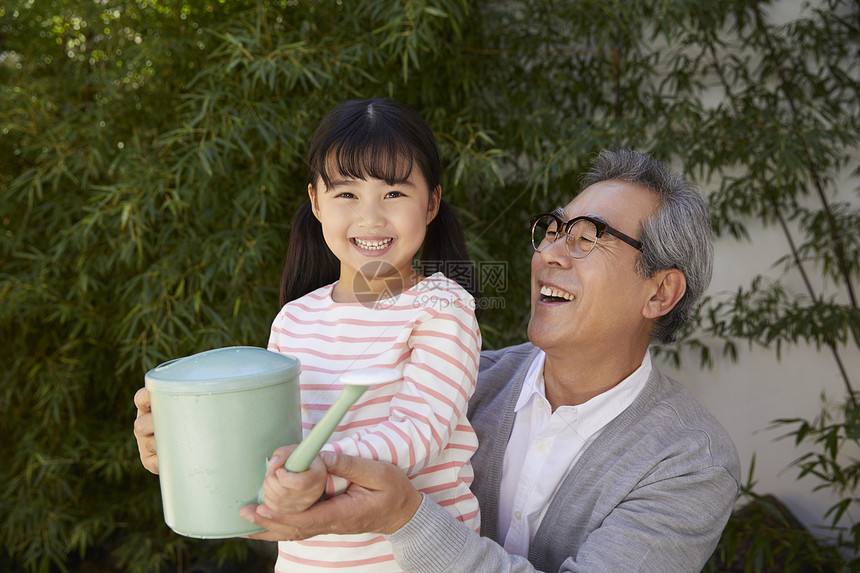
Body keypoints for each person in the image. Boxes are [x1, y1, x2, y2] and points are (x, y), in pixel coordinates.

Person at [137, 148, 741, 572]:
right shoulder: (456, 378)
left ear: (659, 292)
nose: (551, 255)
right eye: (554, 230)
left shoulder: (689, 460)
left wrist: (406, 515)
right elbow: (300, 468)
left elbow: (357, 480)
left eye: (587, 239)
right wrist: (197, 446)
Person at [136, 97, 482, 573]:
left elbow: (420, 432)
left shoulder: (443, 306)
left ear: (432, 203)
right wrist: (183, 447)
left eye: (394, 194)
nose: (371, 217)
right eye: (346, 194)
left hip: (414, 559)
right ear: (316, 202)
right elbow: (268, 448)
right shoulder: (294, 319)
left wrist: (317, 469)